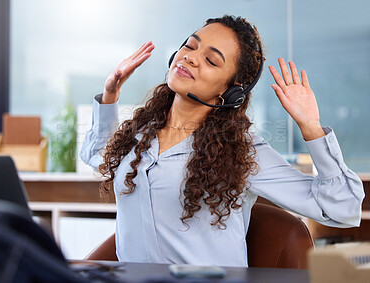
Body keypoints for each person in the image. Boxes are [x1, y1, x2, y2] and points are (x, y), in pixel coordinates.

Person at [80, 15, 364, 267]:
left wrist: (311, 127)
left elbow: (343, 209)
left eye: (211, 60)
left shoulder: (240, 153)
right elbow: (97, 156)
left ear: (228, 93)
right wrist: (110, 95)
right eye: (190, 46)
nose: (190, 57)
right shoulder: (142, 134)